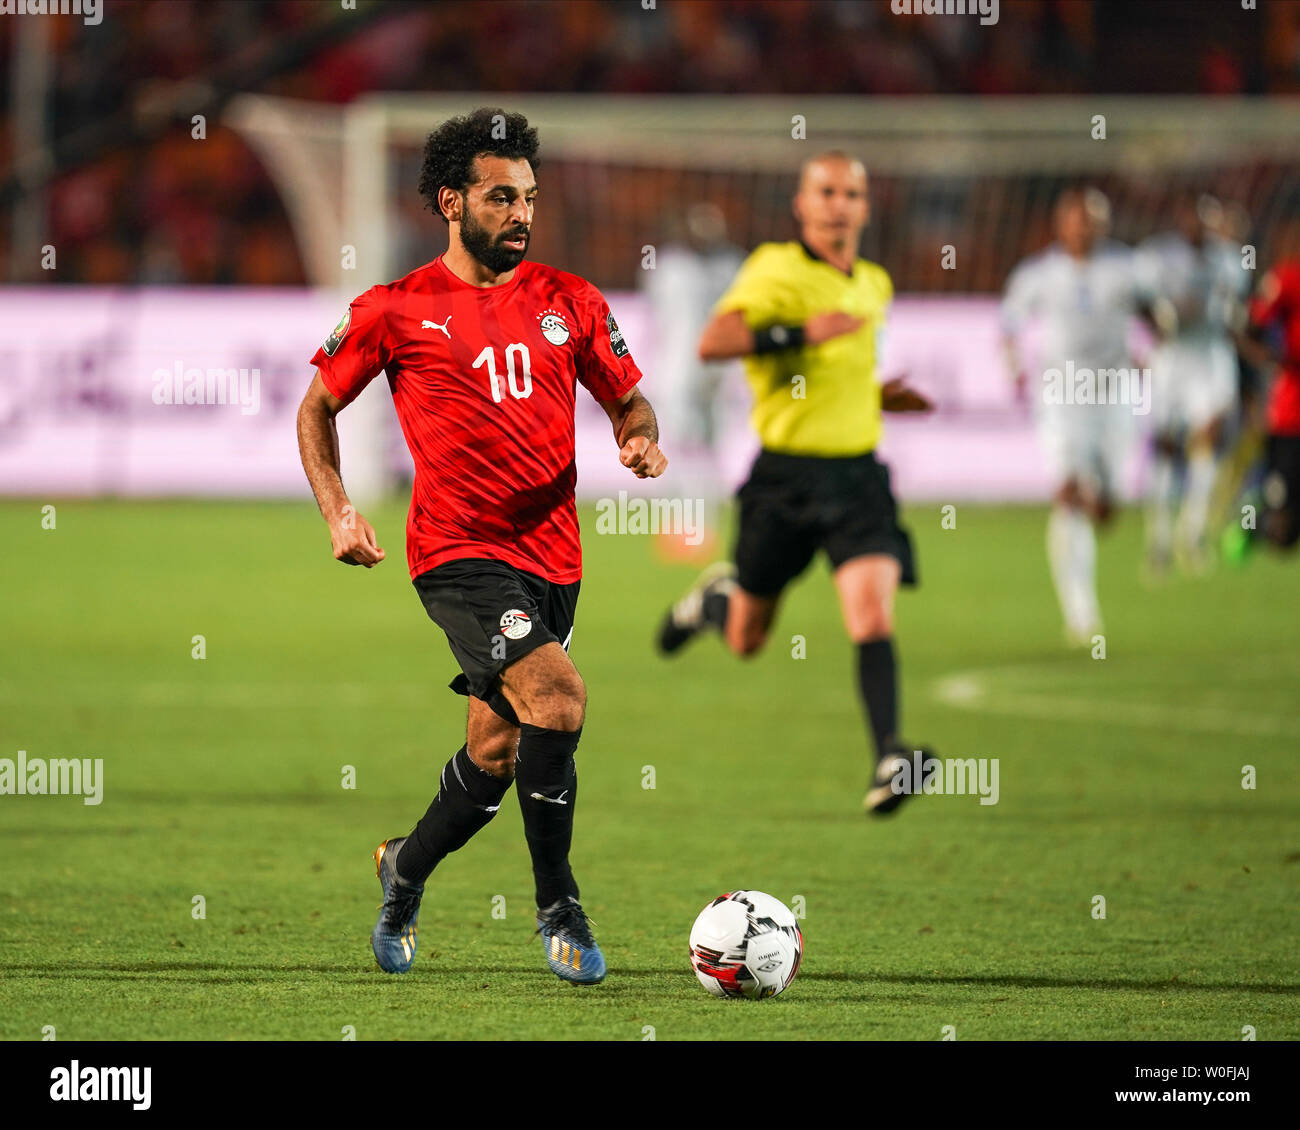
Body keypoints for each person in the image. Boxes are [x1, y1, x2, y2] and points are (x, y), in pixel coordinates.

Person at [296, 108, 666, 982]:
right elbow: (315, 406)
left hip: (556, 562)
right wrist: (339, 510)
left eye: (530, 198)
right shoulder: (393, 310)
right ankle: (559, 907)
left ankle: (404, 867)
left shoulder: (571, 301)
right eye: (503, 198)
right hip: (456, 554)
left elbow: (630, 401)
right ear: (450, 201)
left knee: (497, 752)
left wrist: (638, 436)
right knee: (560, 698)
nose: (523, 213)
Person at [655, 150, 936, 816]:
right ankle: (715, 603)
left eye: (852, 193)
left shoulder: (874, 283)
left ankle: (891, 755)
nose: (839, 203)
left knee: (870, 613)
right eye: (827, 191)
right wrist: (801, 332)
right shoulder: (775, 268)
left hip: (858, 476)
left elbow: (844, 372)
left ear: (866, 208)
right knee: (749, 639)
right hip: (784, 478)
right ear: (802, 205)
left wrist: (876, 397)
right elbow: (714, 341)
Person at [1001, 187, 1146, 644]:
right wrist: (1016, 369)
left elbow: (1159, 317)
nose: (1083, 228)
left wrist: (1155, 351)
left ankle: (1103, 495)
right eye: (1076, 219)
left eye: (1092, 220)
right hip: (1061, 391)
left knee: (1104, 506)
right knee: (1067, 492)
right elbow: (1008, 325)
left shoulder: (1126, 269)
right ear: (1060, 224)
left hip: (1114, 390)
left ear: (1104, 226)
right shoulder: (1040, 274)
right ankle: (1081, 613)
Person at [1136, 191, 1250, 575]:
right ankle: (1159, 539)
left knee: (1207, 440)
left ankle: (1193, 532)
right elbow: (1140, 300)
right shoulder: (1157, 257)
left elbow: (1237, 311)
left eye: (1206, 220)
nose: (1197, 227)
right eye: (1192, 218)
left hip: (1211, 357)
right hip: (1172, 359)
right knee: (1166, 449)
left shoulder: (1232, 262)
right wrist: (1156, 320)